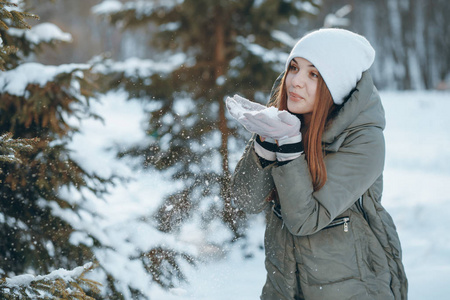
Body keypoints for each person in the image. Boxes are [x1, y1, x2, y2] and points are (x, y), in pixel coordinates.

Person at [227, 28, 408, 300]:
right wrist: (265, 144)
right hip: (284, 289)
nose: (295, 82)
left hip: (352, 290)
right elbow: (244, 201)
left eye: (313, 74)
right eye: (294, 68)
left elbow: (305, 220)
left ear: (336, 84)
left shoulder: (364, 141)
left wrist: (287, 146)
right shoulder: (286, 122)